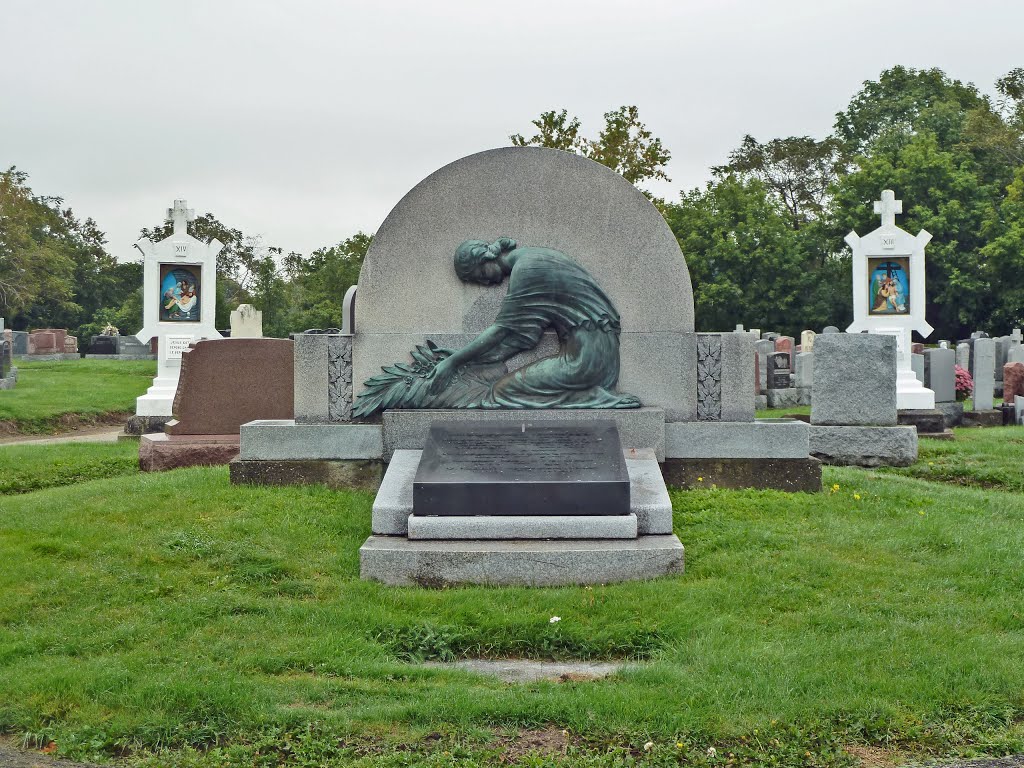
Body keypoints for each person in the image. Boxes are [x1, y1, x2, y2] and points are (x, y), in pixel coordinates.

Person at [427, 238, 639, 409]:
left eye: (480, 275)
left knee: (501, 392)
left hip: (588, 360)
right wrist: (468, 359)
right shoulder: (533, 257)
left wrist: (452, 362)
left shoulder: (528, 269)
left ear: (487, 258)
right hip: (594, 353)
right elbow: (519, 339)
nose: (484, 283)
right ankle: (586, 393)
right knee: (502, 389)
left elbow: (501, 330)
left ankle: (594, 396)